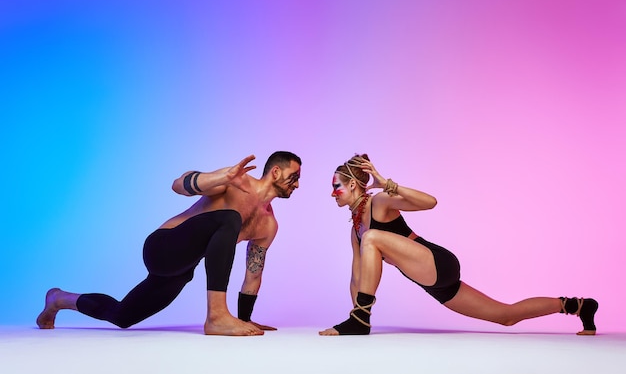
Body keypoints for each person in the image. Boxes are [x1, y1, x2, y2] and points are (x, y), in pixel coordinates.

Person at [319, 154, 598, 336]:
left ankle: (362, 319)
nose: (333, 193)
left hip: (436, 262)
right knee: (506, 316)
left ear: (355, 185)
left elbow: (430, 202)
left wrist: (388, 183)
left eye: (337, 186)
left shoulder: (378, 202)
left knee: (373, 238)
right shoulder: (356, 228)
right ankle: (577, 306)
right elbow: (357, 275)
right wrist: (349, 315)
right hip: (435, 283)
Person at [37, 151, 302, 336]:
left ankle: (59, 299)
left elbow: (253, 275)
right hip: (162, 247)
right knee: (229, 218)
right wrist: (220, 177)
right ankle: (217, 315)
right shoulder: (235, 181)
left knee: (122, 316)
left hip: (181, 269)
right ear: (276, 171)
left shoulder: (268, 226)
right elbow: (178, 185)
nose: (298, 184)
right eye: (294, 176)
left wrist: (245, 319)